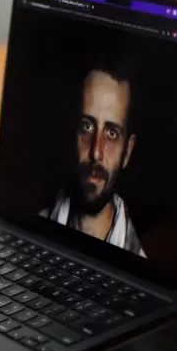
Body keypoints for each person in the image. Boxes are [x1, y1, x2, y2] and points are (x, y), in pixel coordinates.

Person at [42, 60, 145, 256]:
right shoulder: (31, 230)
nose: (96, 153)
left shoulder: (141, 265)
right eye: (87, 126)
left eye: (112, 133)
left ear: (128, 151)